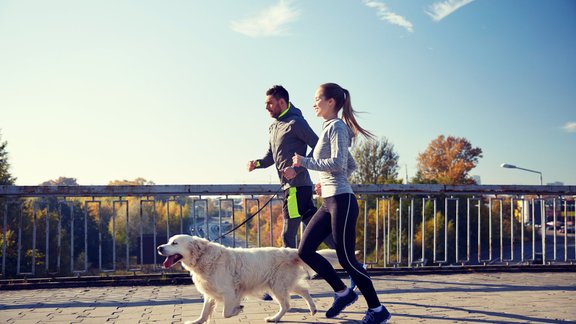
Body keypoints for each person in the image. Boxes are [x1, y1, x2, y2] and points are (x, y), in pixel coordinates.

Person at [292, 83, 392, 323]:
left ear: (331, 102)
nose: (314, 103)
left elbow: (338, 163)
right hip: (330, 199)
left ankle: (378, 310)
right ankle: (342, 292)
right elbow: (350, 165)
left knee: (347, 259)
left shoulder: (337, 126)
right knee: (305, 251)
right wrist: (325, 182)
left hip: (342, 201)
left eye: (317, 99)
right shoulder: (330, 128)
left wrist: (304, 162)